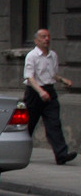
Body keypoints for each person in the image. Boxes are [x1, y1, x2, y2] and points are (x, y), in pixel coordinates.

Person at [23, 29, 75, 165]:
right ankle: (20, 152)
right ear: (36, 40)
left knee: (54, 124)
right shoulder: (32, 56)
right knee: (28, 125)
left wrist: (63, 80)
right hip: (34, 93)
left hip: (49, 92)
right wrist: (40, 92)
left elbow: (52, 74)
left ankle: (61, 155)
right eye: (43, 37)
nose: (47, 39)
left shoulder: (53, 55)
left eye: (48, 36)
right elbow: (29, 77)